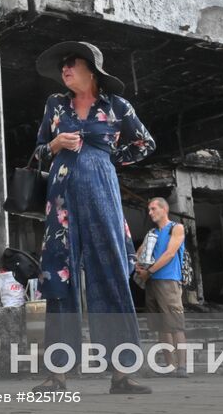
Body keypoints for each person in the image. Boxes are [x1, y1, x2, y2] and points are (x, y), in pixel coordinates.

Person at [30, 41, 155, 395]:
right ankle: (57, 375)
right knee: (59, 278)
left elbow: (145, 144)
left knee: (111, 275)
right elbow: (38, 152)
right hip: (62, 199)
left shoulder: (117, 106)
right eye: (62, 65)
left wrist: (107, 156)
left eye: (72, 63)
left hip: (102, 194)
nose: (65, 69)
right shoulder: (55, 105)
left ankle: (122, 374)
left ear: (93, 70)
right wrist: (55, 146)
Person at [135, 197, 187, 374]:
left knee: (175, 324)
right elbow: (139, 253)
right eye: (149, 210)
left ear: (164, 209)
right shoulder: (152, 233)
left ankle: (182, 366)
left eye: (153, 209)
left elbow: (170, 254)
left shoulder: (176, 228)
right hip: (152, 282)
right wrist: (138, 265)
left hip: (168, 281)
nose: (150, 213)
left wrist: (148, 271)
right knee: (161, 326)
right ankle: (170, 365)